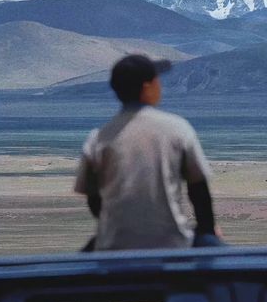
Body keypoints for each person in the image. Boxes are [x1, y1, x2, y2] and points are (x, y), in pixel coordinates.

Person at [75, 54, 222, 251]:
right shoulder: (177, 129)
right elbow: (199, 190)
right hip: (173, 243)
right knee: (219, 252)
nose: (159, 86)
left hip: (113, 245)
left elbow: (94, 200)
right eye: (156, 81)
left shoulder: (98, 139)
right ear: (147, 88)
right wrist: (207, 230)